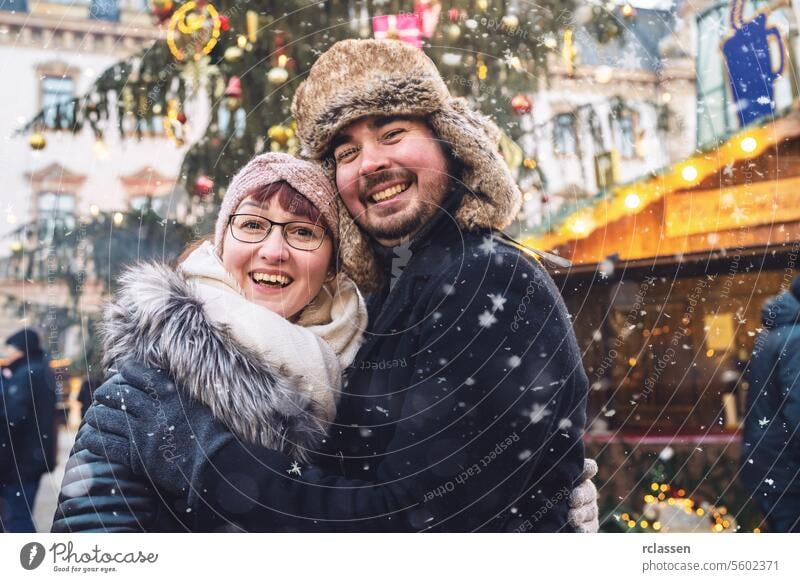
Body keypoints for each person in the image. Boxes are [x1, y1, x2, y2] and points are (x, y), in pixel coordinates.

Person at [64, 39, 597, 532]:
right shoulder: (377, 310)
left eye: (393, 133)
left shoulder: (481, 277)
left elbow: (417, 523)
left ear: (450, 143)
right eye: (345, 153)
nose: (371, 163)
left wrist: (208, 460)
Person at [52, 153, 368, 531]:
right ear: (221, 244)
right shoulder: (144, 387)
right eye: (252, 224)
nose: (273, 251)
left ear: (333, 264)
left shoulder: (367, 375)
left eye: (303, 232)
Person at [741, 276, 800, 532]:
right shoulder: (795, 337)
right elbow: (796, 410)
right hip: (787, 469)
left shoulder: (775, 332)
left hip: (770, 465)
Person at [0, 327, 57, 532]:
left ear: (20, 349)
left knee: (15, 519)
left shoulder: (25, 375)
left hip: (19, 464)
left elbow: (12, 420)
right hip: (33, 459)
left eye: (9, 349)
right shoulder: (41, 372)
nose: (6, 354)